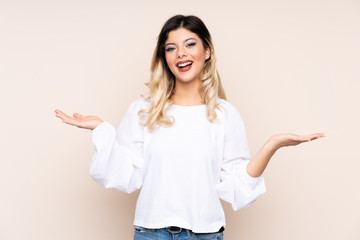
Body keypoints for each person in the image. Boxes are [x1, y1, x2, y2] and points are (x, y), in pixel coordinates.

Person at [55, 14, 324, 240]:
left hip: (206, 234)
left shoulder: (225, 115)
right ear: (165, 57)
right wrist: (101, 130)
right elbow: (126, 174)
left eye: (190, 44)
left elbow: (236, 187)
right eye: (171, 48)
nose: (180, 53)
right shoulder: (143, 111)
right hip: (151, 233)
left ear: (207, 51)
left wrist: (271, 145)